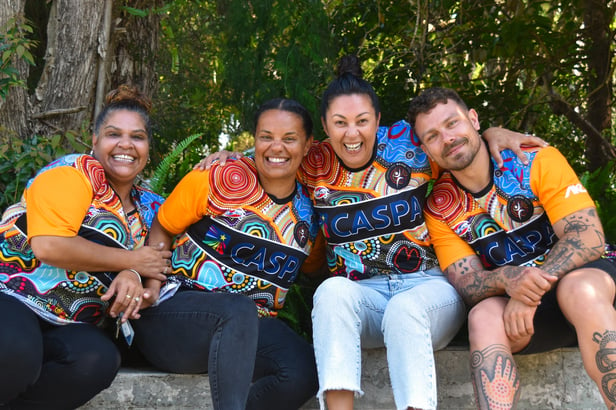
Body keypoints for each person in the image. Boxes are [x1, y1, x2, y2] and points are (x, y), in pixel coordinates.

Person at [198, 56, 547, 410]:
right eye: (340, 123)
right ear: (324, 127)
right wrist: (228, 156)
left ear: (378, 122)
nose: (352, 133)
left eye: (362, 121)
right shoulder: (312, 160)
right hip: (364, 298)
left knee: (405, 309)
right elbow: (270, 153)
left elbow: (459, 145)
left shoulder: (410, 147)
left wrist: (492, 133)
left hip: (428, 291)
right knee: (331, 290)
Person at [408, 86, 616, 409]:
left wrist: (529, 289)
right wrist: (508, 280)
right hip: (527, 318)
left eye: (452, 123)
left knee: (579, 288)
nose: (447, 138)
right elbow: (467, 283)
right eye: (432, 135)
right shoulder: (439, 207)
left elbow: (588, 236)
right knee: (482, 316)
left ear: (474, 120)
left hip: (588, 288)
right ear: (426, 149)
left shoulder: (534, 160)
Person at [131, 98, 320, 410]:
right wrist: (152, 282)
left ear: (308, 144)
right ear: (254, 140)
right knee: (237, 309)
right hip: (173, 320)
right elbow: (163, 227)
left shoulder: (311, 215)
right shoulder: (217, 178)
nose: (277, 148)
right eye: (266, 137)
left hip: (249, 332)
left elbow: (314, 269)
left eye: (289, 139)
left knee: (303, 370)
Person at [0, 85, 171, 409]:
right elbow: (50, 246)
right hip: (13, 297)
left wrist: (137, 281)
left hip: (74, 321)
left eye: (137, 137)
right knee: (15, 350)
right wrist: (131, 261)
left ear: (148, 147)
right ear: (94, 141)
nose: (125, 144)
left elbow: (154, 265)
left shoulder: (152, 207)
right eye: (113, 134)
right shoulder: (72, 174)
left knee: (97, 359)